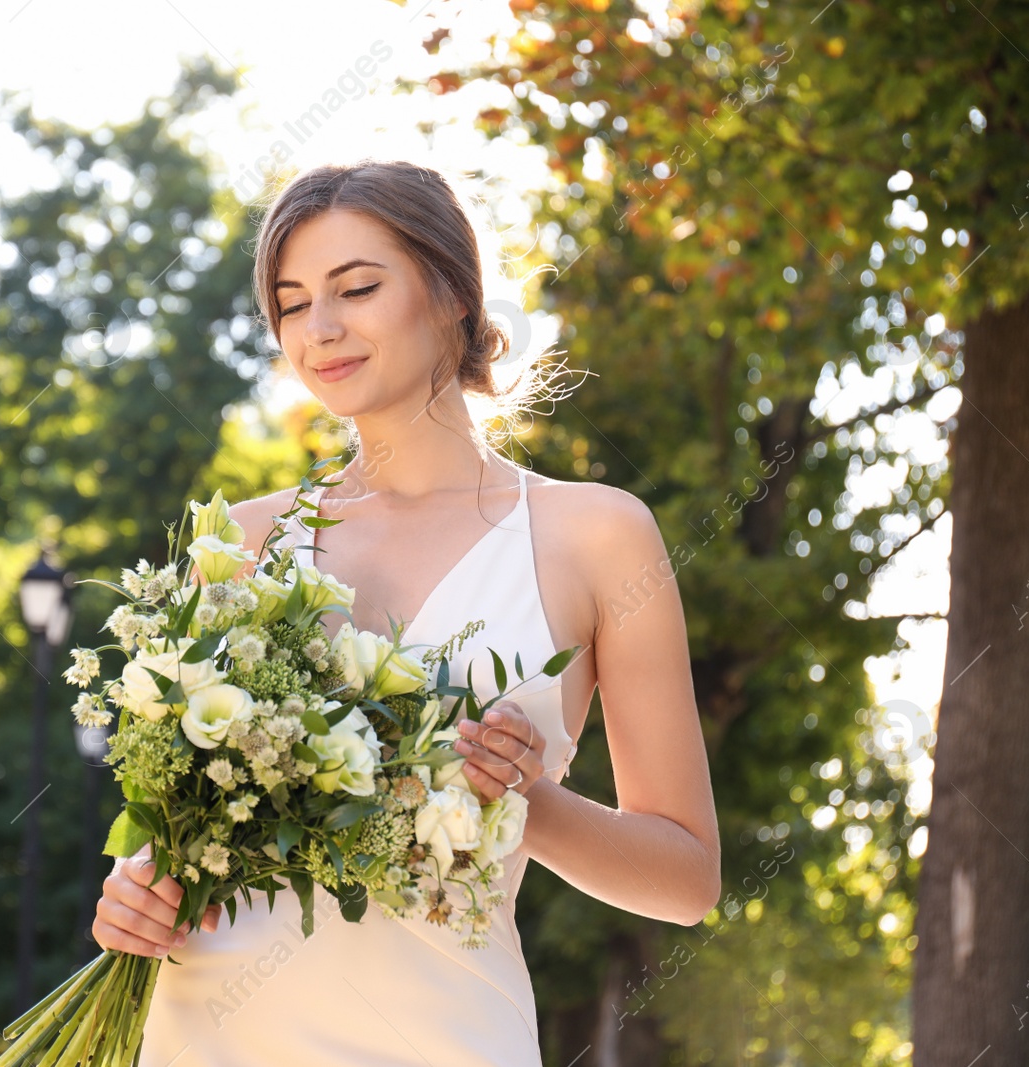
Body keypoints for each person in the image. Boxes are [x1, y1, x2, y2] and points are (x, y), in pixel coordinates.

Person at [93, 159, 720, 1066]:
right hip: (219, 1030)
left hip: (449, 1036)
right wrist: (134, 892)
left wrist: (526, 803)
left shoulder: (597, 537)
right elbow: (167, 834)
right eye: (294, 301)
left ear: (453, 294)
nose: (323, 328)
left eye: (357, 287)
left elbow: (687, 879)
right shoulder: (242, 540)